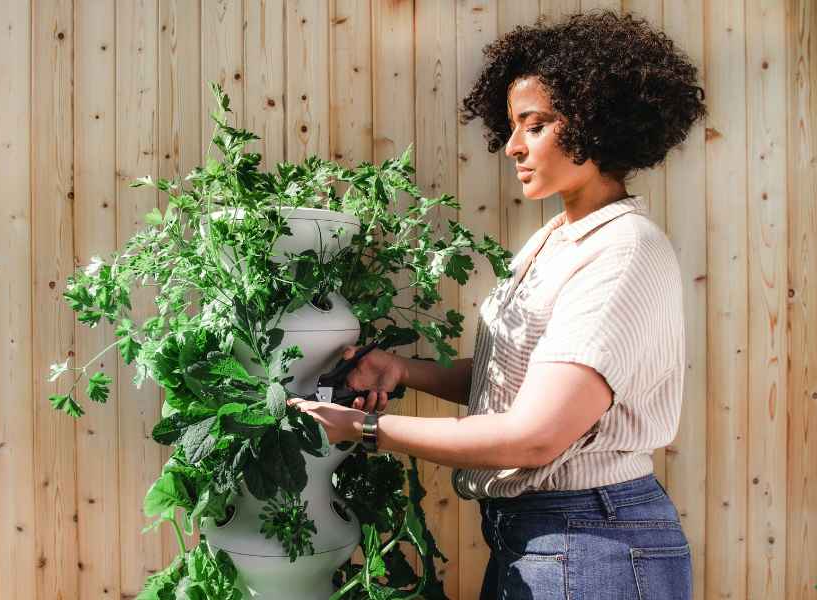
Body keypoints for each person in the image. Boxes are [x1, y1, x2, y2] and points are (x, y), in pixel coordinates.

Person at [287, 9, 708, 600]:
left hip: (590, 543)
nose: (511, 146)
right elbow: (522, 386)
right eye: (511, 127)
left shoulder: (623, 253)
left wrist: (367, 428)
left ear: (594, 123)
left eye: (533, 126)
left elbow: (535, 435)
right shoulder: (554, 240)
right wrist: (406, 371)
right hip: (541, 538)